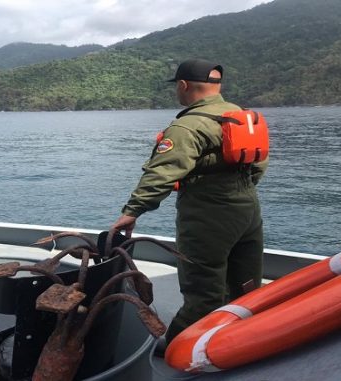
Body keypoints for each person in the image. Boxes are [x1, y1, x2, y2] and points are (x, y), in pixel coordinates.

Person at [112, 59, 268, 344]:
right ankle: (241, 340)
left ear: (183, 86)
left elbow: (162, 173)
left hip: (208, 214)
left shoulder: (187, 127)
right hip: (248, 208)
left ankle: (176, 351)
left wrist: (132, 211)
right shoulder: (241, 115)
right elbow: (259, 164)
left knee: (203, 288)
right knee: (245, 283)